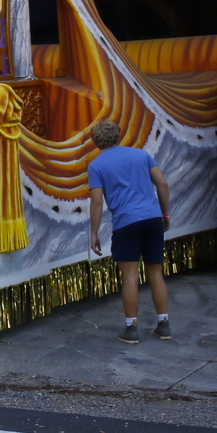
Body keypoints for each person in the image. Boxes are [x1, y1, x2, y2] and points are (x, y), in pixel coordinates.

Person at [86, 119, 172, 343]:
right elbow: (162, 184)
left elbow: (96, 202)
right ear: (118, 135)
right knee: (156, 273)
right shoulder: (141, 155)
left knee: (131, 277)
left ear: (95, 141)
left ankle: (131, 329)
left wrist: (94, 233)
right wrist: (165, 215)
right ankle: (163, 324)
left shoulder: (96, 165)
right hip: (152, 218)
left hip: (126, 222)